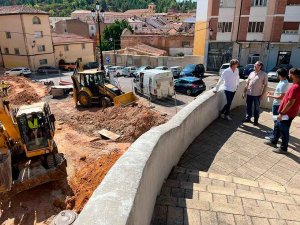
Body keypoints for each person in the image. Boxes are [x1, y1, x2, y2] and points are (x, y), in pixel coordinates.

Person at [264, 68, 300, 154]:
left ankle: (283, 148)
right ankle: (273, 141)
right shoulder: (296, 85)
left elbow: (290, 103)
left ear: (293, 75)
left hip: (287, 113)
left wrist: (281, 113)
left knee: (284, 130)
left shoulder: (295, 87)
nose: (288, 75)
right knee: (278, 125)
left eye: (290, 74)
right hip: (289, 112)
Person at [265, 68, 289, 139]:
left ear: (280, 75)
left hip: (278, 105)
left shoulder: (284, 83)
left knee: (277, 121)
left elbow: (281, 97)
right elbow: (278, 92)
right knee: (276, 120)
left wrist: (270, 96)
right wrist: (272, 93)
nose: (277, 75)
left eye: (277, 74)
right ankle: (275, 132)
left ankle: (275, 135)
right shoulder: (282, 81)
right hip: (276, 104)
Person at [242, 61, 268, 126]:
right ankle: (248, 118)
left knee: (256, 108)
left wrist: (262, 95)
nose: (255, 66)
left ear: (260, 66)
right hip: (249, 93)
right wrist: (244, 92)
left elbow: (265, 86)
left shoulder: (264, 74)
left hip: (257, 95)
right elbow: (247, 83)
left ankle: (256, 121)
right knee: (248, 106)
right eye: (255, 65)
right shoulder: (251, 73)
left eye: (257, 65)